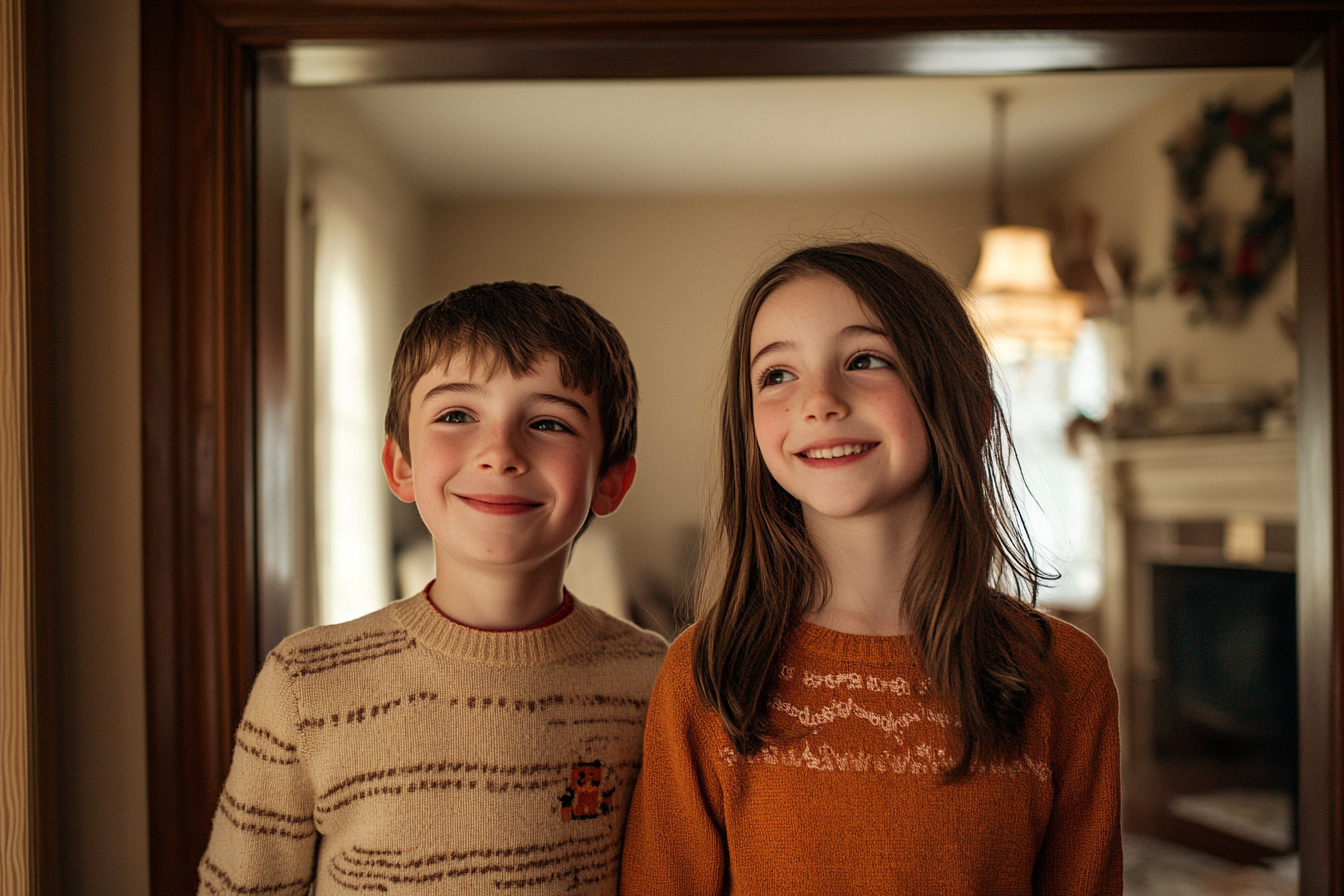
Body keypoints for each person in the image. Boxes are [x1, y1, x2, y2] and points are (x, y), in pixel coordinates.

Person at [620, 242, 1121, 895]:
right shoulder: (705, 677)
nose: (819, 401)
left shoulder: (1065, 678)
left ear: (962, 398)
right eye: (777, 375)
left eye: (865, 360)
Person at [198, 282, 667, 895]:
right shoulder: (302, 685)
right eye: (456, 416)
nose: (500, 452)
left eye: (549, 422)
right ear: (402, 466)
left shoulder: (654, 684)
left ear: (611, 480)